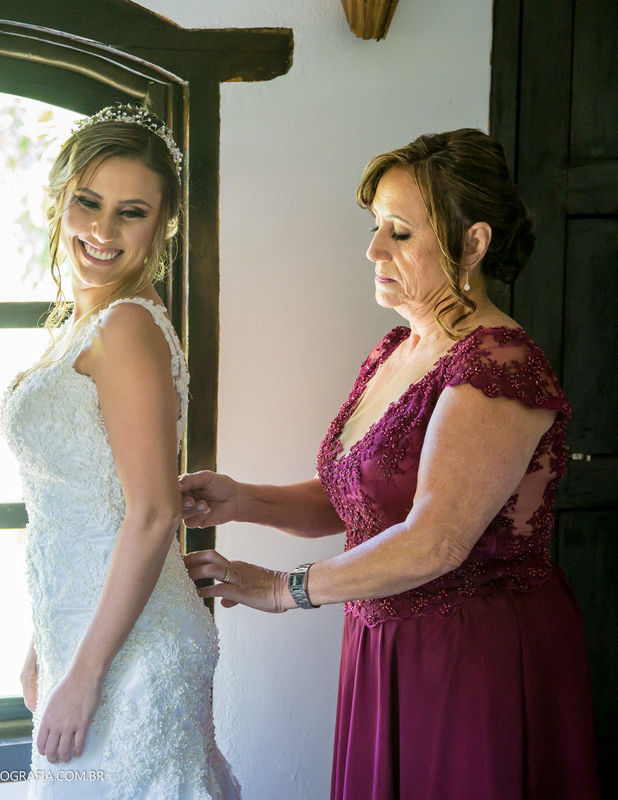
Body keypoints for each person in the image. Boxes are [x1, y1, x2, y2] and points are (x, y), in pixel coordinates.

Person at [179, 128, 599, 799]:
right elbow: (356, 500)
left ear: (473, 244)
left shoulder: (498, 366)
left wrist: (279, 589)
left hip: (469, 656)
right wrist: (242, 500)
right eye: (376, 226)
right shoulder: (398, 349)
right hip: (385, 640)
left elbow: (435, 538)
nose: (372, 249)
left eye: (399, 232)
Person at [1, 105, 239, 799]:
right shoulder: (85, 324)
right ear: (60, 201)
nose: (102, 231)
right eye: (88, 202)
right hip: (86, 633)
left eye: (130, 212)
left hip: (131, 654)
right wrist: (44, 644)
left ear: (160, 226)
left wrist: (86, 673)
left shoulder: (128, 326)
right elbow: (75, 508)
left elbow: (154, 513)